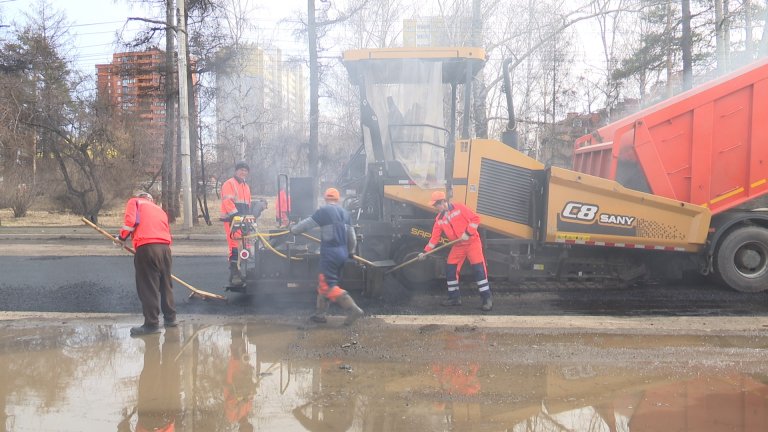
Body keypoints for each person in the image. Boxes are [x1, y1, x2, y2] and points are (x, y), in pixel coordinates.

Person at [290, 188, 364, 325]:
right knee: (326, 282)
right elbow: (352, 237)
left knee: (327, 286)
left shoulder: (323, 211)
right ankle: (320, 315)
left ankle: (354, 309)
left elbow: (306, 224)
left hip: (330, 254)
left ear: (325, 198)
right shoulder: (345, 213)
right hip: (342, 253)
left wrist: (293, 230)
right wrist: (351, 252)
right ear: (338, 199)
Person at [419, 190, 493, 311]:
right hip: (458, 246)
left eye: (436, 205)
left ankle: (487, 299)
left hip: (472, 243)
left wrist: (468, 233)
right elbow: (434, 239)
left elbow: (476, 219)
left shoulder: (460, 208)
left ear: (443, 202)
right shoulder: (439, 219)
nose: (435, 208)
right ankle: (454, 298)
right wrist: (425, 251)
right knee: (450, 269)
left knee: (479, 270)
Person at [115, 191, 176, 336]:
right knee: (166, 284)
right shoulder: (160, 210)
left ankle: (151, 324)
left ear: (140, 197)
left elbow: (131, 222)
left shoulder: (135, 202)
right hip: (165, 249)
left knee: (148, 287)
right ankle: (170, 318)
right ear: (151, 200)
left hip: (147, 248)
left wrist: (121, 238)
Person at [220, 161, 253, 286]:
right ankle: (234, 274)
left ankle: (241, 272)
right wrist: (236, 216)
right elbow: (228, 202)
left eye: (245, 170)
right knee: (234, 245)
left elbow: (247, 204)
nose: (243, 172)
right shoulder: (229, 184)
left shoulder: (246, 186)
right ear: (236, 171)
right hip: (232, 220)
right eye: (241, 170)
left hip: (242, 220)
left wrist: (249, 217)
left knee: (244, 246)